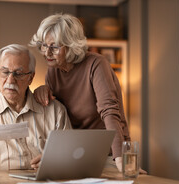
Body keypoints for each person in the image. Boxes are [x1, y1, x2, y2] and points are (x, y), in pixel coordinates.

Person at [29, 13, 138, 172]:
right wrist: (42, 90)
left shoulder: (96, 64)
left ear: (71, 45)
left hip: (107, 155)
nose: (47, 52)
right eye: (44, 45)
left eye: (54, 47)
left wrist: (121, 158)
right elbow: (56, 118)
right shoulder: (53, 72)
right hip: (75, 154)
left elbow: (110, 112)